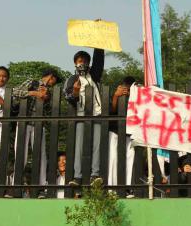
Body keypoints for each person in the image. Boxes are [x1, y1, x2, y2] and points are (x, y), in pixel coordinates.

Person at [13, 68, 62, 196]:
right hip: (25, 122)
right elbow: (14, 92)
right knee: (20, 154)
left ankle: (40, 187)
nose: (53, 83)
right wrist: (34, 93)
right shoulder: (32, 82)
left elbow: (49, 111)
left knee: (40, 155)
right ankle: (16, 185)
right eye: (54, 80)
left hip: (39, 124)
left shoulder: (49, 92)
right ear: (51, 77)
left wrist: (46, 98)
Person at [64, 49, 104, 187]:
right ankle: (77, 177)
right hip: (81, 116)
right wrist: (74, 93)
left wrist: (98, 46)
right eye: (80, 61)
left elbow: (99, 61)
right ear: (75, 63)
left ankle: (95, 175)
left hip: (97, 114)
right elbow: (67, 96)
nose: (83, 64)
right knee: (79, 146)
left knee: (97, 145)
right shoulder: (72, 79)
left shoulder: (94, 75)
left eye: (85, 61)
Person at [107, 76, 136, 197]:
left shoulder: (137, 97)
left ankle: (128, 188)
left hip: (131, 133)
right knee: (113, 159)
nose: (127, 90)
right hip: (115, 131)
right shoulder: (117, 94)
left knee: (130, 159)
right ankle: (112, 189)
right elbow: (110, 110)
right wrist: (116, 96)